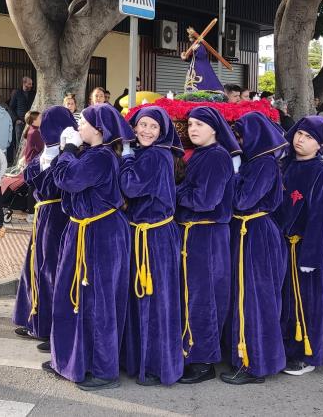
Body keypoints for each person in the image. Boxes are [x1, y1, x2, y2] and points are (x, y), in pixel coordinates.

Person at [42, 103, 133, 391]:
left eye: (83, 122)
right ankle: (70, 359)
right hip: (85, 229)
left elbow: (68, 180)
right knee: (73, 297)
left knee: (98, 301)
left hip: (100, 234)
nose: (78, 126)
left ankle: (103, 369)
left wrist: (68, 150)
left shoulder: (102, 157)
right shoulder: (93, 154)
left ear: (99, 130)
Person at [119, 106, 185, 387]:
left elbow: (130, 187)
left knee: (154, 301)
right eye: (142, 125)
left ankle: (156, 365)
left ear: (162, 132)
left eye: (153, 127)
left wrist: (125, 158)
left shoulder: (156, 155)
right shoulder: (149, 153)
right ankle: (141, 361)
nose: (146, 131)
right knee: (144, 300)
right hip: (145, 233)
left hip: (154, 237)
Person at [220, 111, 287, 385]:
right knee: (242, 295)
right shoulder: (256, 161)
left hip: (255, 233)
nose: (237, 141)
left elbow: (243, 200)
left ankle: (255, 364)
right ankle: (243, 356)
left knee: (254, 298)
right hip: (246, 231)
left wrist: (234, 173)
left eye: (240, 136)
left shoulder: (264, 164)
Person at [174, 107, 237, 384]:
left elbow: (205, 200)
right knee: (192, 295)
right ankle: (191, 351)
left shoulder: (216, 156)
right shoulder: (201, 154)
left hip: (207, 235)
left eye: (199, 124)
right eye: (190, 124)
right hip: (195, 234)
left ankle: (204, 361)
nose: (193, 129)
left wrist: (174, 193)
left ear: (214, 128)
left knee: (204, 297)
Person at [277, 116, 323, 376]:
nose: (301, 140)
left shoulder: (322, 173)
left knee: (309, 301)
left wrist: (311, 256)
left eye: (309, 137)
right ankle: (285, 348)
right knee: (286, 301)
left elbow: (322, 218)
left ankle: (307, 354)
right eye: (299, 134)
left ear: (320, 145)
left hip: (309, 247)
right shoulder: (285, 165)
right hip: (285, 245)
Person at [12, 106, 77, 350]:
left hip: (60, 217)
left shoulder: (70, 154)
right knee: (35, 267)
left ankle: (52, 329)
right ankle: (36, 319)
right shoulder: (47, 152)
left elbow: (51, 185)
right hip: (44, 216)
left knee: (53, 270)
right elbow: (29, 176)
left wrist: (56, 155)